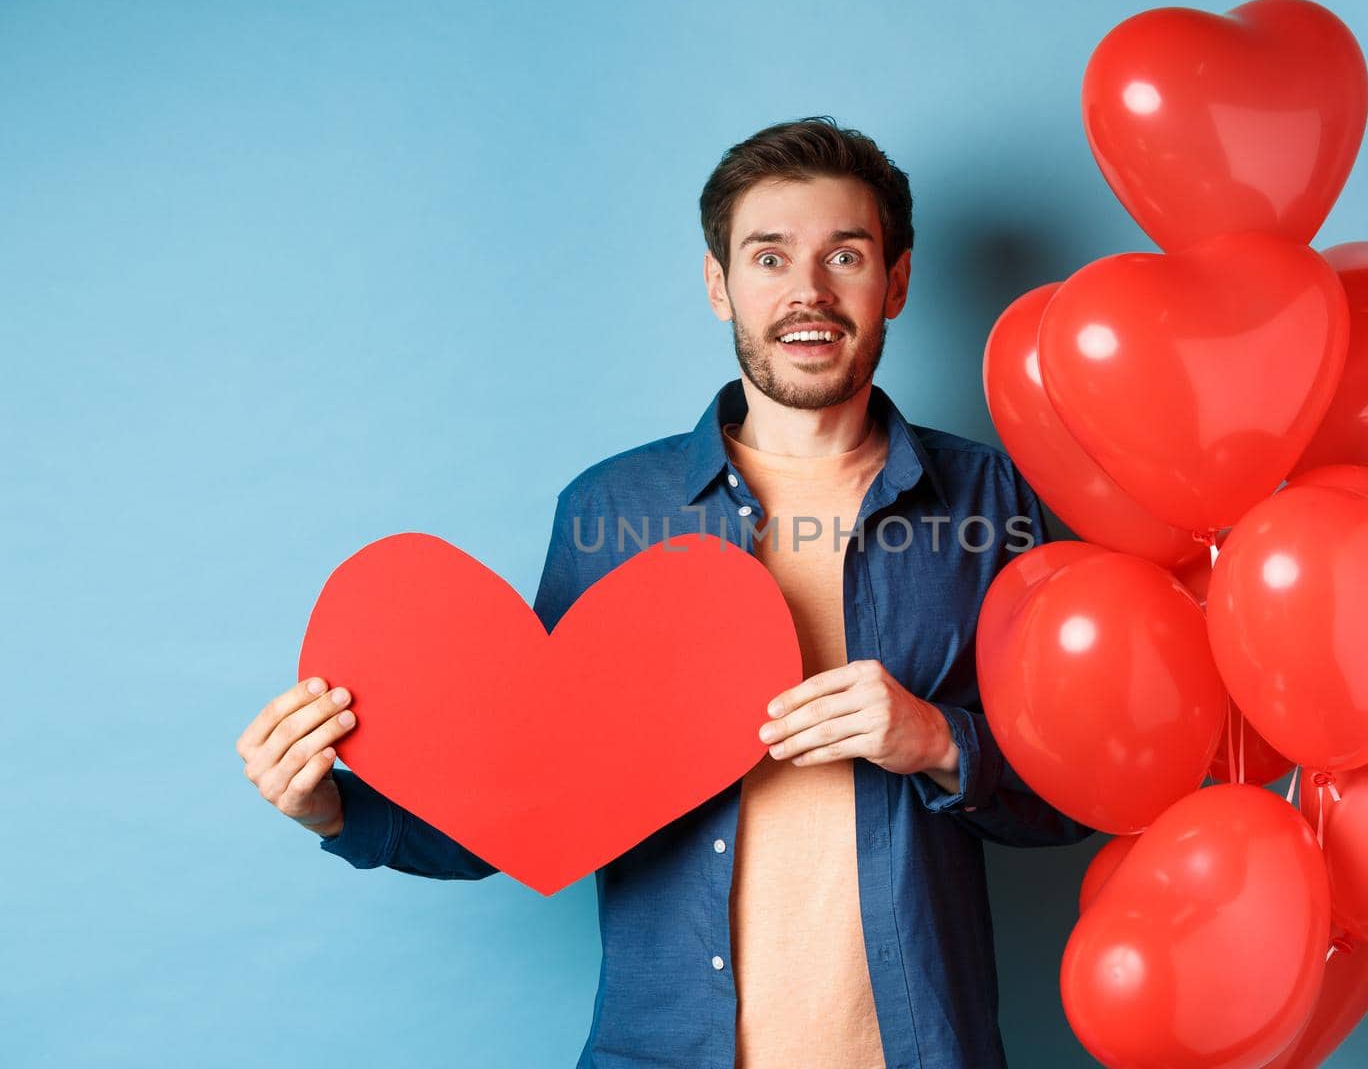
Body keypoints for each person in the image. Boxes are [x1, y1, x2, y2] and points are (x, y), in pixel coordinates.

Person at [236, 116, 1093, 1069]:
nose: (807, 291)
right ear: (720, 284)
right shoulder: (613, 510)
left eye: (844, 255)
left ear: (894, 282)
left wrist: (937, 741)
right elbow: (521, 806)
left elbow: (1077, 791)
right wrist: (335, 812)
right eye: (769, 257)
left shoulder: (989, 500)